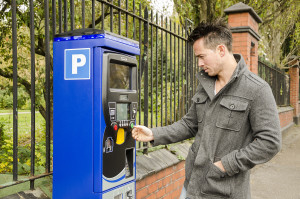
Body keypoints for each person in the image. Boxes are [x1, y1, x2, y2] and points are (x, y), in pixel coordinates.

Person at [132, 19, 281, 199]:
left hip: (224, 193)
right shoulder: (205, 84)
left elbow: (270, 142)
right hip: (191, 187)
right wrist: (154, 134)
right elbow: (189, 124)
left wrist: (226, 165)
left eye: (202, 57)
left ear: (220, 50)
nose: (199, 64)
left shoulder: (257, 89)